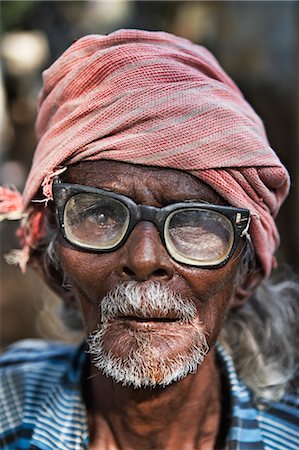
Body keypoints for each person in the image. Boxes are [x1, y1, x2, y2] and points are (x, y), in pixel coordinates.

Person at [0, 29, 298, 450]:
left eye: (194, 222)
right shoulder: (7, 403)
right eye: (100, 214)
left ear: (246, 274)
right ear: (54, 268)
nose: (143, 258)